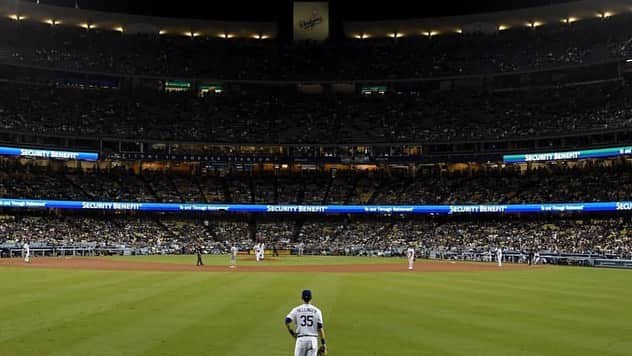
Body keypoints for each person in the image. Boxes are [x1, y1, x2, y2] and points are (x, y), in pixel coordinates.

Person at [285, 290, 326, 356]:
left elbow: (287, 321)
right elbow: (320, 329)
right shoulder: (317, 311)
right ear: (311, 298)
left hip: (301, 340)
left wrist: (292, 332)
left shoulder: (296, 309)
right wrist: (323, 344)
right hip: (313, 340)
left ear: (302, 298)